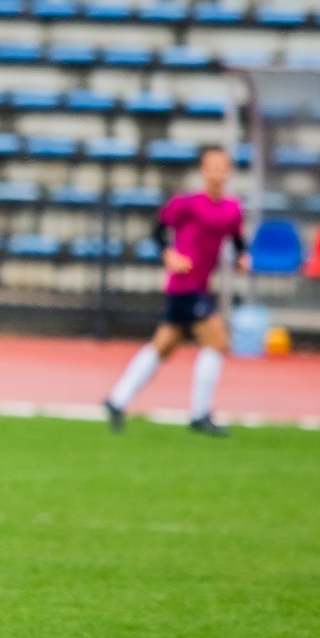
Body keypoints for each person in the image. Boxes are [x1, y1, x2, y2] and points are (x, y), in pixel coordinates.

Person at [104, 145, 249, 437]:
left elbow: (236, 238)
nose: (217, 173)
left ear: (229, 172)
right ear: (203, 171)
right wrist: (168, 254)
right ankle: (200, 414)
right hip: (184, 284)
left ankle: (117, 401)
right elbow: (158, 230)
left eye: (222, 167)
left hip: (200, 285)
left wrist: (242, 256)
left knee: (163, 345)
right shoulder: (187, 204)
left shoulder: (232, 209)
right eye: (212, 167)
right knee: (217, 341)